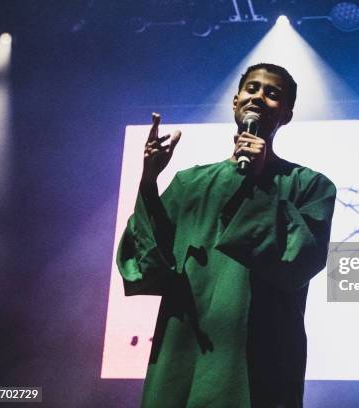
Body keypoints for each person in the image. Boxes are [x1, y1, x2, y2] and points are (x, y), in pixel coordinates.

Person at [117, 63, 336, 407]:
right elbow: (148, 267)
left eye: (273, 93)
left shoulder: (310, 185)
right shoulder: (190, 183)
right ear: (236, 102)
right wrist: (148, 181)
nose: (259, 97)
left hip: (257, 363)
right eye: (252, 89)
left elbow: (298, 262)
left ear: (288, 114)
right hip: (184, 356)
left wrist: (259, 181)